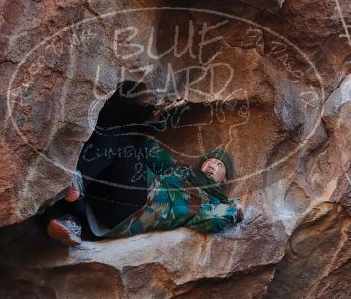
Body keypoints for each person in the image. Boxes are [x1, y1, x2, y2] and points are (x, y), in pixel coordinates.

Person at [42, 85, 243, 246]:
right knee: (104, 130)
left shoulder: (213, 203)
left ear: (224, 179)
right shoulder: (181, 171)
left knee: (116, 138)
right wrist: (159, 117)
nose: (212, 164)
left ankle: (77, 184)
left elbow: (216, 220)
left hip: (143, 202)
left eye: (219, 164)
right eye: (209, 160)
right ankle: (70, 220)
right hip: (116, 204)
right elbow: (147, 146)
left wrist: (234, 210)